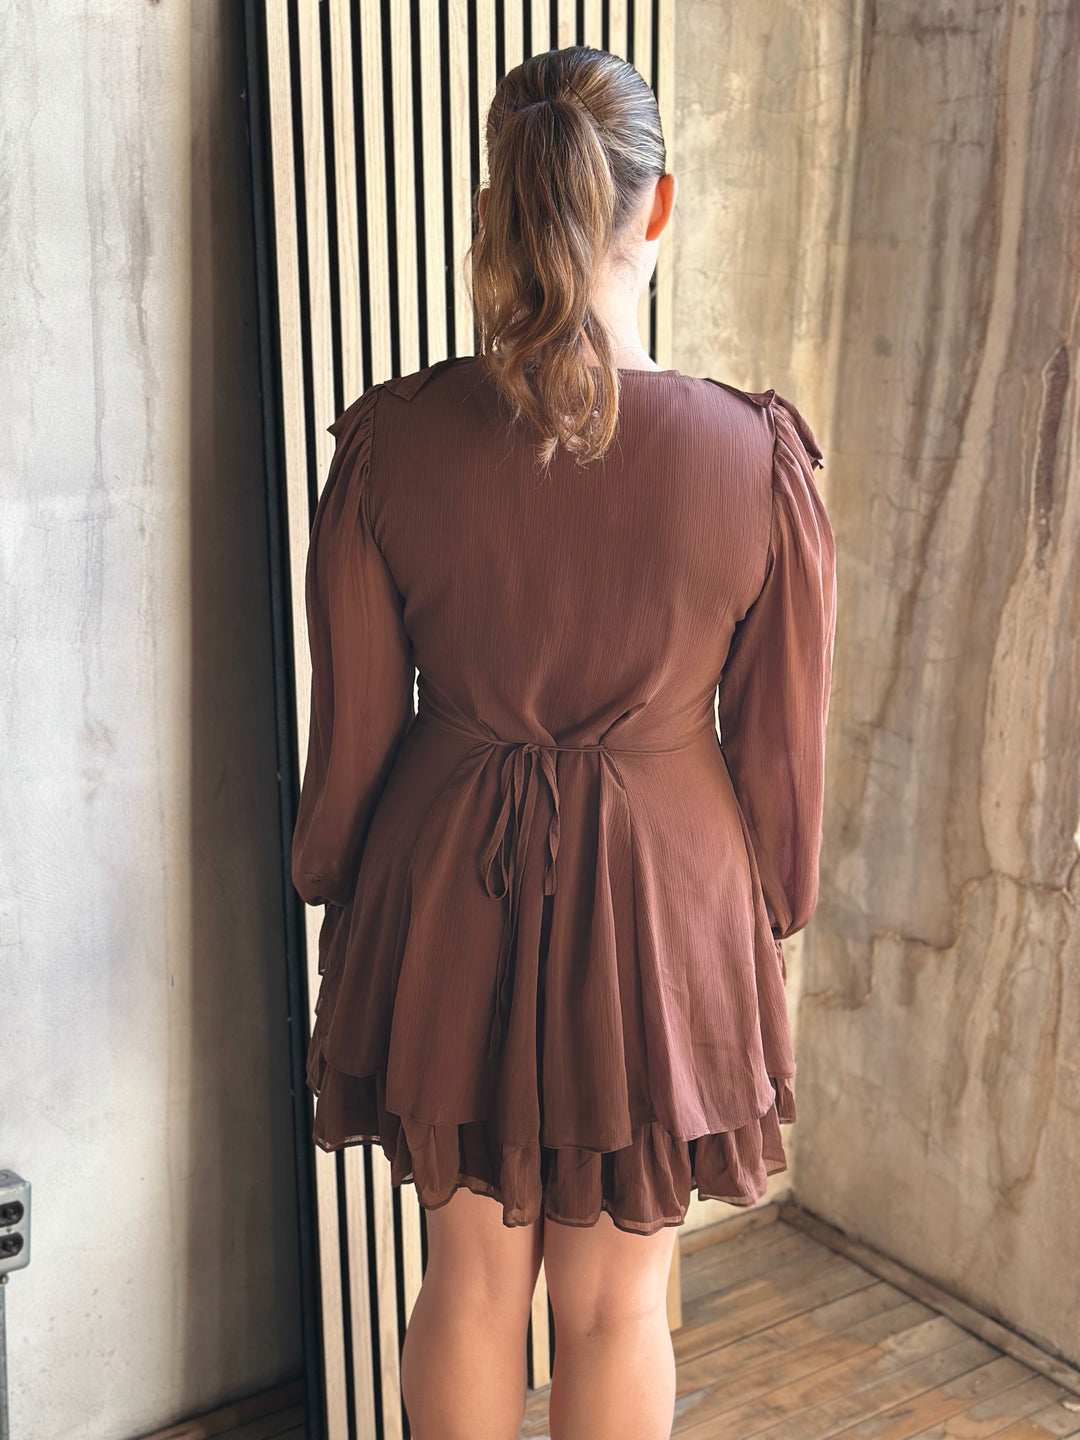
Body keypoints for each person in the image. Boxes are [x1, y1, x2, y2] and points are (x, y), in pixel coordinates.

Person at [291, 43, 837, 1440]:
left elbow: (353, 733)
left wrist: (337, 879)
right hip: (665, 907)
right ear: (656, 212)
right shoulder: (752, 458)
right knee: (616, 1305)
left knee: (466, 1287)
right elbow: (782, 741)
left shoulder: (391, 445)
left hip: (445, 892)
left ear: (500, 210)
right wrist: (769, 900)